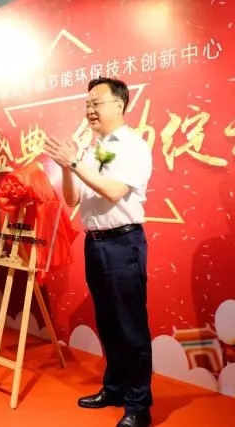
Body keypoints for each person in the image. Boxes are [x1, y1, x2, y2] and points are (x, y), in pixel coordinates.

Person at [44, 77, 153, 427]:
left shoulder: (133, 145)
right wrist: (67, 167)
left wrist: (75, 163)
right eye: (87, 104)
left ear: (119, 105)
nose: (90, 110)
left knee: (131, 326)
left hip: (123, 243)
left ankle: (139, 405)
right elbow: (72, 199)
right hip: (95, 242)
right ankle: (115, 388)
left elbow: (114, 191)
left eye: (96, 103)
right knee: (107, 322)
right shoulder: (92, 148)